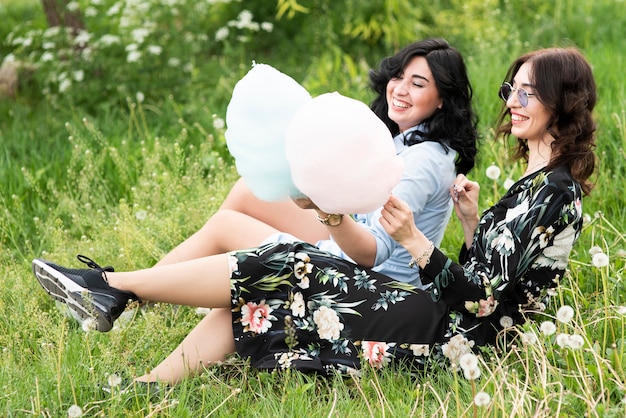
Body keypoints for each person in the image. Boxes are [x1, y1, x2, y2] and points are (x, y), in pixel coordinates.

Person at [35, 45, 598, 390]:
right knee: (269, 282)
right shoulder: (531, 185)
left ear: (562, 102)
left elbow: (480, 303)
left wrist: (413, 241)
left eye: (529, 92)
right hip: (445, 314)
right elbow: (491, 275)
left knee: (282, 263)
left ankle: (112, 288)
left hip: (456, 339)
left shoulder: (554, 193)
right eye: (512, 89)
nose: (514, 101)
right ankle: (145, 386)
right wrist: (472, 222)